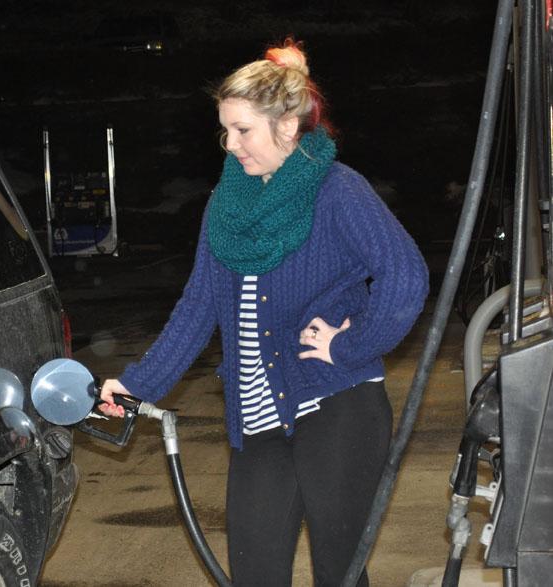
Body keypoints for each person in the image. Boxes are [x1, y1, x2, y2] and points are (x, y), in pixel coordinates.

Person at [99, 38, 429, 587]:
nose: (230, 145)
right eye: (224, 130)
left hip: (337, 405)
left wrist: (351, 343)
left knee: (339, 572)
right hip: (257, 418)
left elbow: (406, 273)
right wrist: (140, 385)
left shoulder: (337, 192)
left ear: (288, 126)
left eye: (243, 130)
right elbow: (199, 303)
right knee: (254, 570)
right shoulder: (225, 205)